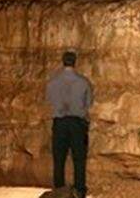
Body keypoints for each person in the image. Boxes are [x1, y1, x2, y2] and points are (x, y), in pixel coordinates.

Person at [45, 50, 93, 197]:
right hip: (77, 123)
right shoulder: (83, 82)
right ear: (75, 61)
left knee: (59, 158)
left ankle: (59, 189)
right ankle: (79, 190)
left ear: (63, 61)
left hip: (59, 122)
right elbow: (89, 103)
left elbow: (49, 100)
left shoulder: (53, 82)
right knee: (79, 158)